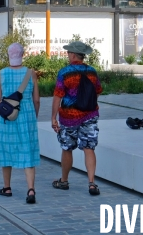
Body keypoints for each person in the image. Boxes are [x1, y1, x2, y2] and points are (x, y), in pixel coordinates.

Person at [0, 43, 41, 204]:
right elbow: (37, 100)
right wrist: (34, 116)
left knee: (6, 150)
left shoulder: (2, 74)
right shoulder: (30, 73)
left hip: (6, 117)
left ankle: (7, 187)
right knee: (28, 151)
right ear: (22, 55)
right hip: (27, 117)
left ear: (8, 55)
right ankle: (31, 189)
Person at [51, 41, 103, 196]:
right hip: (90, 115)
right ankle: (92, 183)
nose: (67, 55)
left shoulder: (65, 72)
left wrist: (53, 117)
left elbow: (57, 96)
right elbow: (98, 91)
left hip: (68, 117)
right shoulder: (92, 72)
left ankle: (64, 181)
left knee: (67, 148)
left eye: (68, 53)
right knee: (89, 148)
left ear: (73, 54)